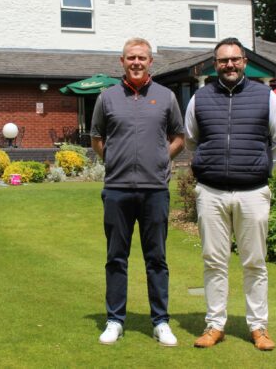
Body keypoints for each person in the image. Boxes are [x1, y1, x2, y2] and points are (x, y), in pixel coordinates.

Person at [184, 37, 276, 351]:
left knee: (254, 263)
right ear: (214, 64)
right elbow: (191, 140)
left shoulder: (267, 97)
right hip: (211, 192)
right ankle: (215, 325)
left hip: (253, 192)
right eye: (223, 60)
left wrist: (261, 166)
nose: (229, 65)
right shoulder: (200, 98)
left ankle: (258, 327)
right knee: (214, 262)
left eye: (234, 59)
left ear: (244, 62)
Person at [90, 37, 185, 346]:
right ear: (122, 61)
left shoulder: (166, 96)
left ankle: (160, 322)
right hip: (117, 190)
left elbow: (179, 137)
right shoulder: (106, 98)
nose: (136, 62)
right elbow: (97, 138)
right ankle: (115, 320)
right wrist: (114, 161)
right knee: (116, 258)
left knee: (156, 258)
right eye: (131, 57)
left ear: (150, 62)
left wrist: (160, 160)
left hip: (154, 190)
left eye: (141, 58)